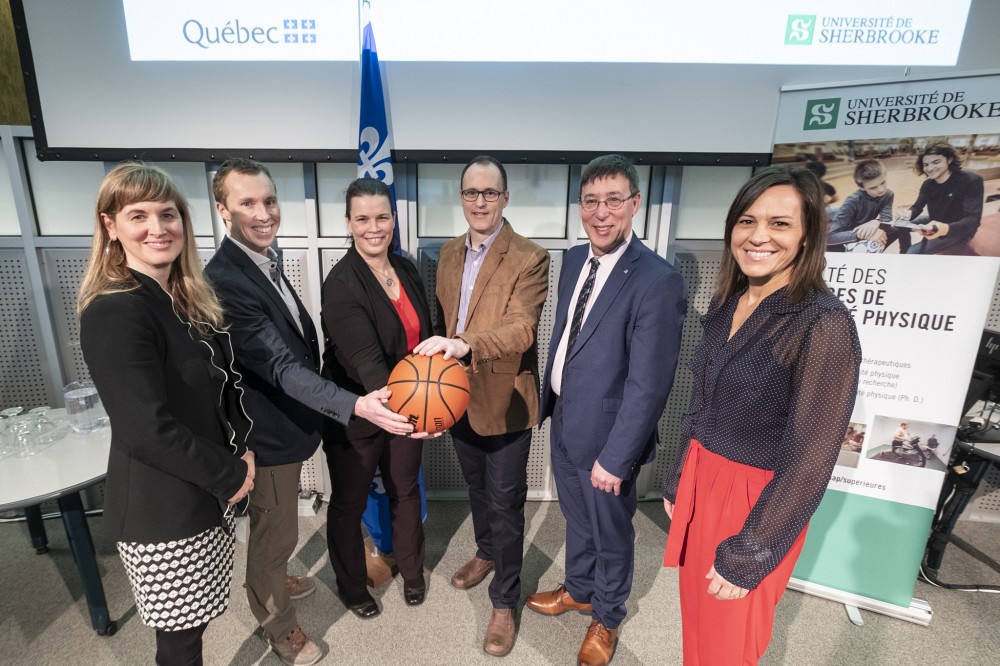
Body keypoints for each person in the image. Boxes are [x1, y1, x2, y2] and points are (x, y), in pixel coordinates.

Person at [205, 158, 415, 665]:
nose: (263, 213)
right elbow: (280, 366)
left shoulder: (264, 260)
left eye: (269, 201)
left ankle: (276, 579)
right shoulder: (227, 278)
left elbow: (296, 350)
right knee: (276, 534)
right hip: (268, 432)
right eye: (247, 203)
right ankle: (281, 630)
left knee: (280, 531)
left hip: (295, 420)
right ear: (221, 210)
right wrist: (352, 403)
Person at [661, 165, 861, 665]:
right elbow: (701, 402)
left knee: (729, 647)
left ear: (809, 234)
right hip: (703, 479)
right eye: (747, 221)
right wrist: (678, 477)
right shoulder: (731, 301)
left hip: (756, 503)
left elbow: (812, 457)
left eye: (779, 224)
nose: (758, 236)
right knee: (700, 632)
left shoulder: (824, 323)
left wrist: (750, 552)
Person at [78, 162, 255, 666]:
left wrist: (243, 450)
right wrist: (232, 475)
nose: (158, 228)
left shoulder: (176, 298)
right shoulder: (117, 309)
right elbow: (145, 431)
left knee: (192, 630)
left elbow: (218, 389)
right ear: (111, 226)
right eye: (139, 215)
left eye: (168, 214)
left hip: (198, 495)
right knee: (179, 645)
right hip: (163, 511)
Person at [529, 154, 687, 666]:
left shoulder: (657, 280)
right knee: (577, 519)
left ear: (635, 204)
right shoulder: (574, 259)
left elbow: (649, 384)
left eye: (614, 200)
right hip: (565, 421)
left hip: (610, 438)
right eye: (591, 201)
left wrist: (618, 458)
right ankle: (578, 589)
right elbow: (569, 337)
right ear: (580, 207)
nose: (601, 213)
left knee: (611, 532)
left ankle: (608, 615)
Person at [413, 155, 549, 657]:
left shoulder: (529, 257)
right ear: (462, 197)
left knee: (506, 504)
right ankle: (487, 553)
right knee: (477, 489)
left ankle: (503, 601)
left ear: (506, 198)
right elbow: (441, 317)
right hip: (456, 398)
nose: (480, 201)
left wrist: (463, 343)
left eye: (490, 193)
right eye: (472, 192)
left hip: (507, 401)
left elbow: (521, 327)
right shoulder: (447, 254)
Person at [320, 178, 433, 616]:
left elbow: (424, 339)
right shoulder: (341, 284)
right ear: (348, 223)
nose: (374, 227)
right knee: (349, 502)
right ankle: (351, 588)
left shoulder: (404, 270)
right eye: (362, 218)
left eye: (382, 216)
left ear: (393, 219)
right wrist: (422, 412)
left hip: (406, 408)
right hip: (361, 411)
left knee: (405, 490)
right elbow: (368, 365)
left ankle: (413, 571)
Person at [897, 143, 985, 255]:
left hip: (958, 229)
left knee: (912, 252)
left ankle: (908, 254)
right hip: (935, 220)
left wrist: (943, 228)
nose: (930, 168)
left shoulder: (971, 180)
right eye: (926, 164)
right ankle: (903, 253)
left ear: (949, 160)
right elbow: (917, 207)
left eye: (936, 162)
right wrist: (908, 213)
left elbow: (973, 220)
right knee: (900, 224)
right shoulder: (928, 184)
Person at [827, 159, 909, 253]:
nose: (881, 189)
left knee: (899, 229)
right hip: (847, 238)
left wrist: (875, 221)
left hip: (866, 233)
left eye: (883, 182)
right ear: (862, 187)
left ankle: (905, 254)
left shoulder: (888, 194)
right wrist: (864, 235)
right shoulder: (853, 200)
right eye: (873, 187)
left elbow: (886, 219)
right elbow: (830, 238)